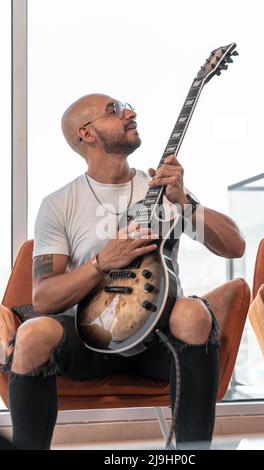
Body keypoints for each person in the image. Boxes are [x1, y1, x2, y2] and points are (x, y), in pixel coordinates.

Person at [5, 94, 245, 450]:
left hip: (156, 337)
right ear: (86, 134)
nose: (130, 112)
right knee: (31, 334)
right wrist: (101, 262)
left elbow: (234, 246)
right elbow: (44, 298)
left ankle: (191, 454)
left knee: (193, 314)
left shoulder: (164, 189)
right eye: (114, 110)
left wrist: (187, 203)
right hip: (86, 340)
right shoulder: (59, 204)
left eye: (127, 105)